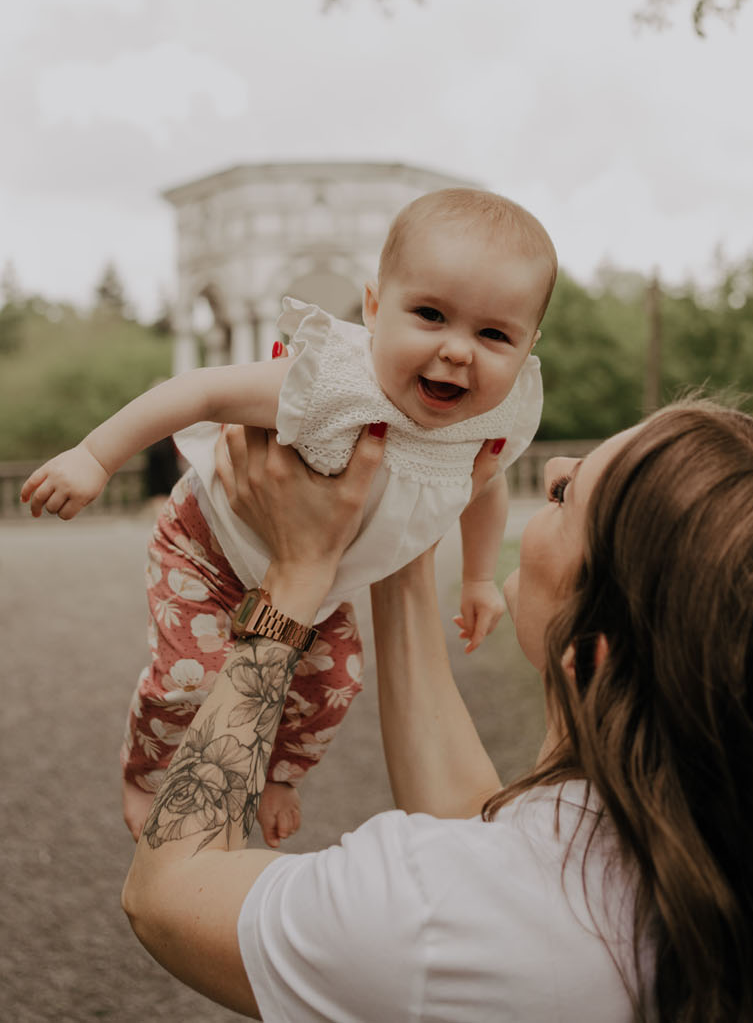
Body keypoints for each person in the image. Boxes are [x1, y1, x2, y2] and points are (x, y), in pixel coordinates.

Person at [121, 403, 753, 1023]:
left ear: (591, 652)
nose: (557, 469)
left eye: (574, 497)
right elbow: (486, 833)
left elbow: (168, 893)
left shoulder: (433, 922)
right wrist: (394, 528)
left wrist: (296, 579)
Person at [21, 188, 556, 847]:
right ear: (372, 306)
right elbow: (205, 389)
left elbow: (488, 486)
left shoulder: (486, 421)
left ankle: (278, 773)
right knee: (190, 674)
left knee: (335, 681)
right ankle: (146, 768)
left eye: (493, 333)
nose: (457, 350)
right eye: (430, 315)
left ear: (530, 344)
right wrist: (94, 455)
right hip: (208, 548)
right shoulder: (331, 383)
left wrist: (476, 578)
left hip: (321, 580)